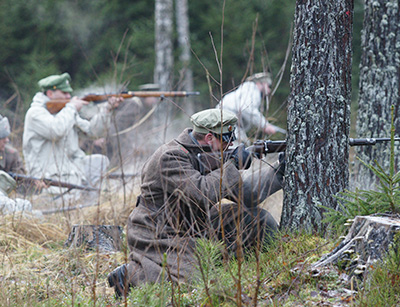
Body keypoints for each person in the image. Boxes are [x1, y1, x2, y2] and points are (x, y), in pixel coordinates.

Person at [107, 109, 285, 298]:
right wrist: (232, 165)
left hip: (196, 222)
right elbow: (203, 193)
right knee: (194, 282)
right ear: (209, 137)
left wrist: (279, 173)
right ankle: (133, 275)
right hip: (159, 230)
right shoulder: (170, 157)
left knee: (257, 220)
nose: (231, 143)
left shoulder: (210, 155)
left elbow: (246, 195)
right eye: (227, 138)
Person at [23, 73, 121, 196]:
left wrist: (107, 109)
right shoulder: (35, 113)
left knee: (100, 162)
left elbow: (93, 132)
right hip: (47, 178)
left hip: (70, 170)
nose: (69, 96)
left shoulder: (65, 112)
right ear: (50, 94)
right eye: (64, 93)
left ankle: (93, 200)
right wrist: (71, 108)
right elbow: (56, 131)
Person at [216, 72, 281, 144]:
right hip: (229, 126)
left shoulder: (245, 90)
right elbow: (247, 109)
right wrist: (265, 125)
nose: (269, 90)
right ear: (260, 83)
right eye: (268, 86)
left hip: (226, 125)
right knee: (239, 148)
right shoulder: (252, 90)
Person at [0, 115, 42, 216]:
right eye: (2, 137)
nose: (7, 140)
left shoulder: (11, 155)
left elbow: (22, 186)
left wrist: (36, 187)